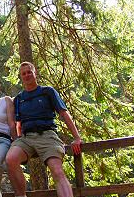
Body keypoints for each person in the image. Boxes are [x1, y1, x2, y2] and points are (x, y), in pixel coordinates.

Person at [5, 62, 82, 197]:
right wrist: (16, 139)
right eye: (24, 73)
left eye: (29, 72)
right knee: (11, 159)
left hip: (47, 135)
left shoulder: (47, 92)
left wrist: (76, 138)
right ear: (21, 77)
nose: (27, 75)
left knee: (57, 171)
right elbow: (17, 124)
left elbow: (64, 114)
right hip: (26, 138)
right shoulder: (18, 99)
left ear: (35, 73)